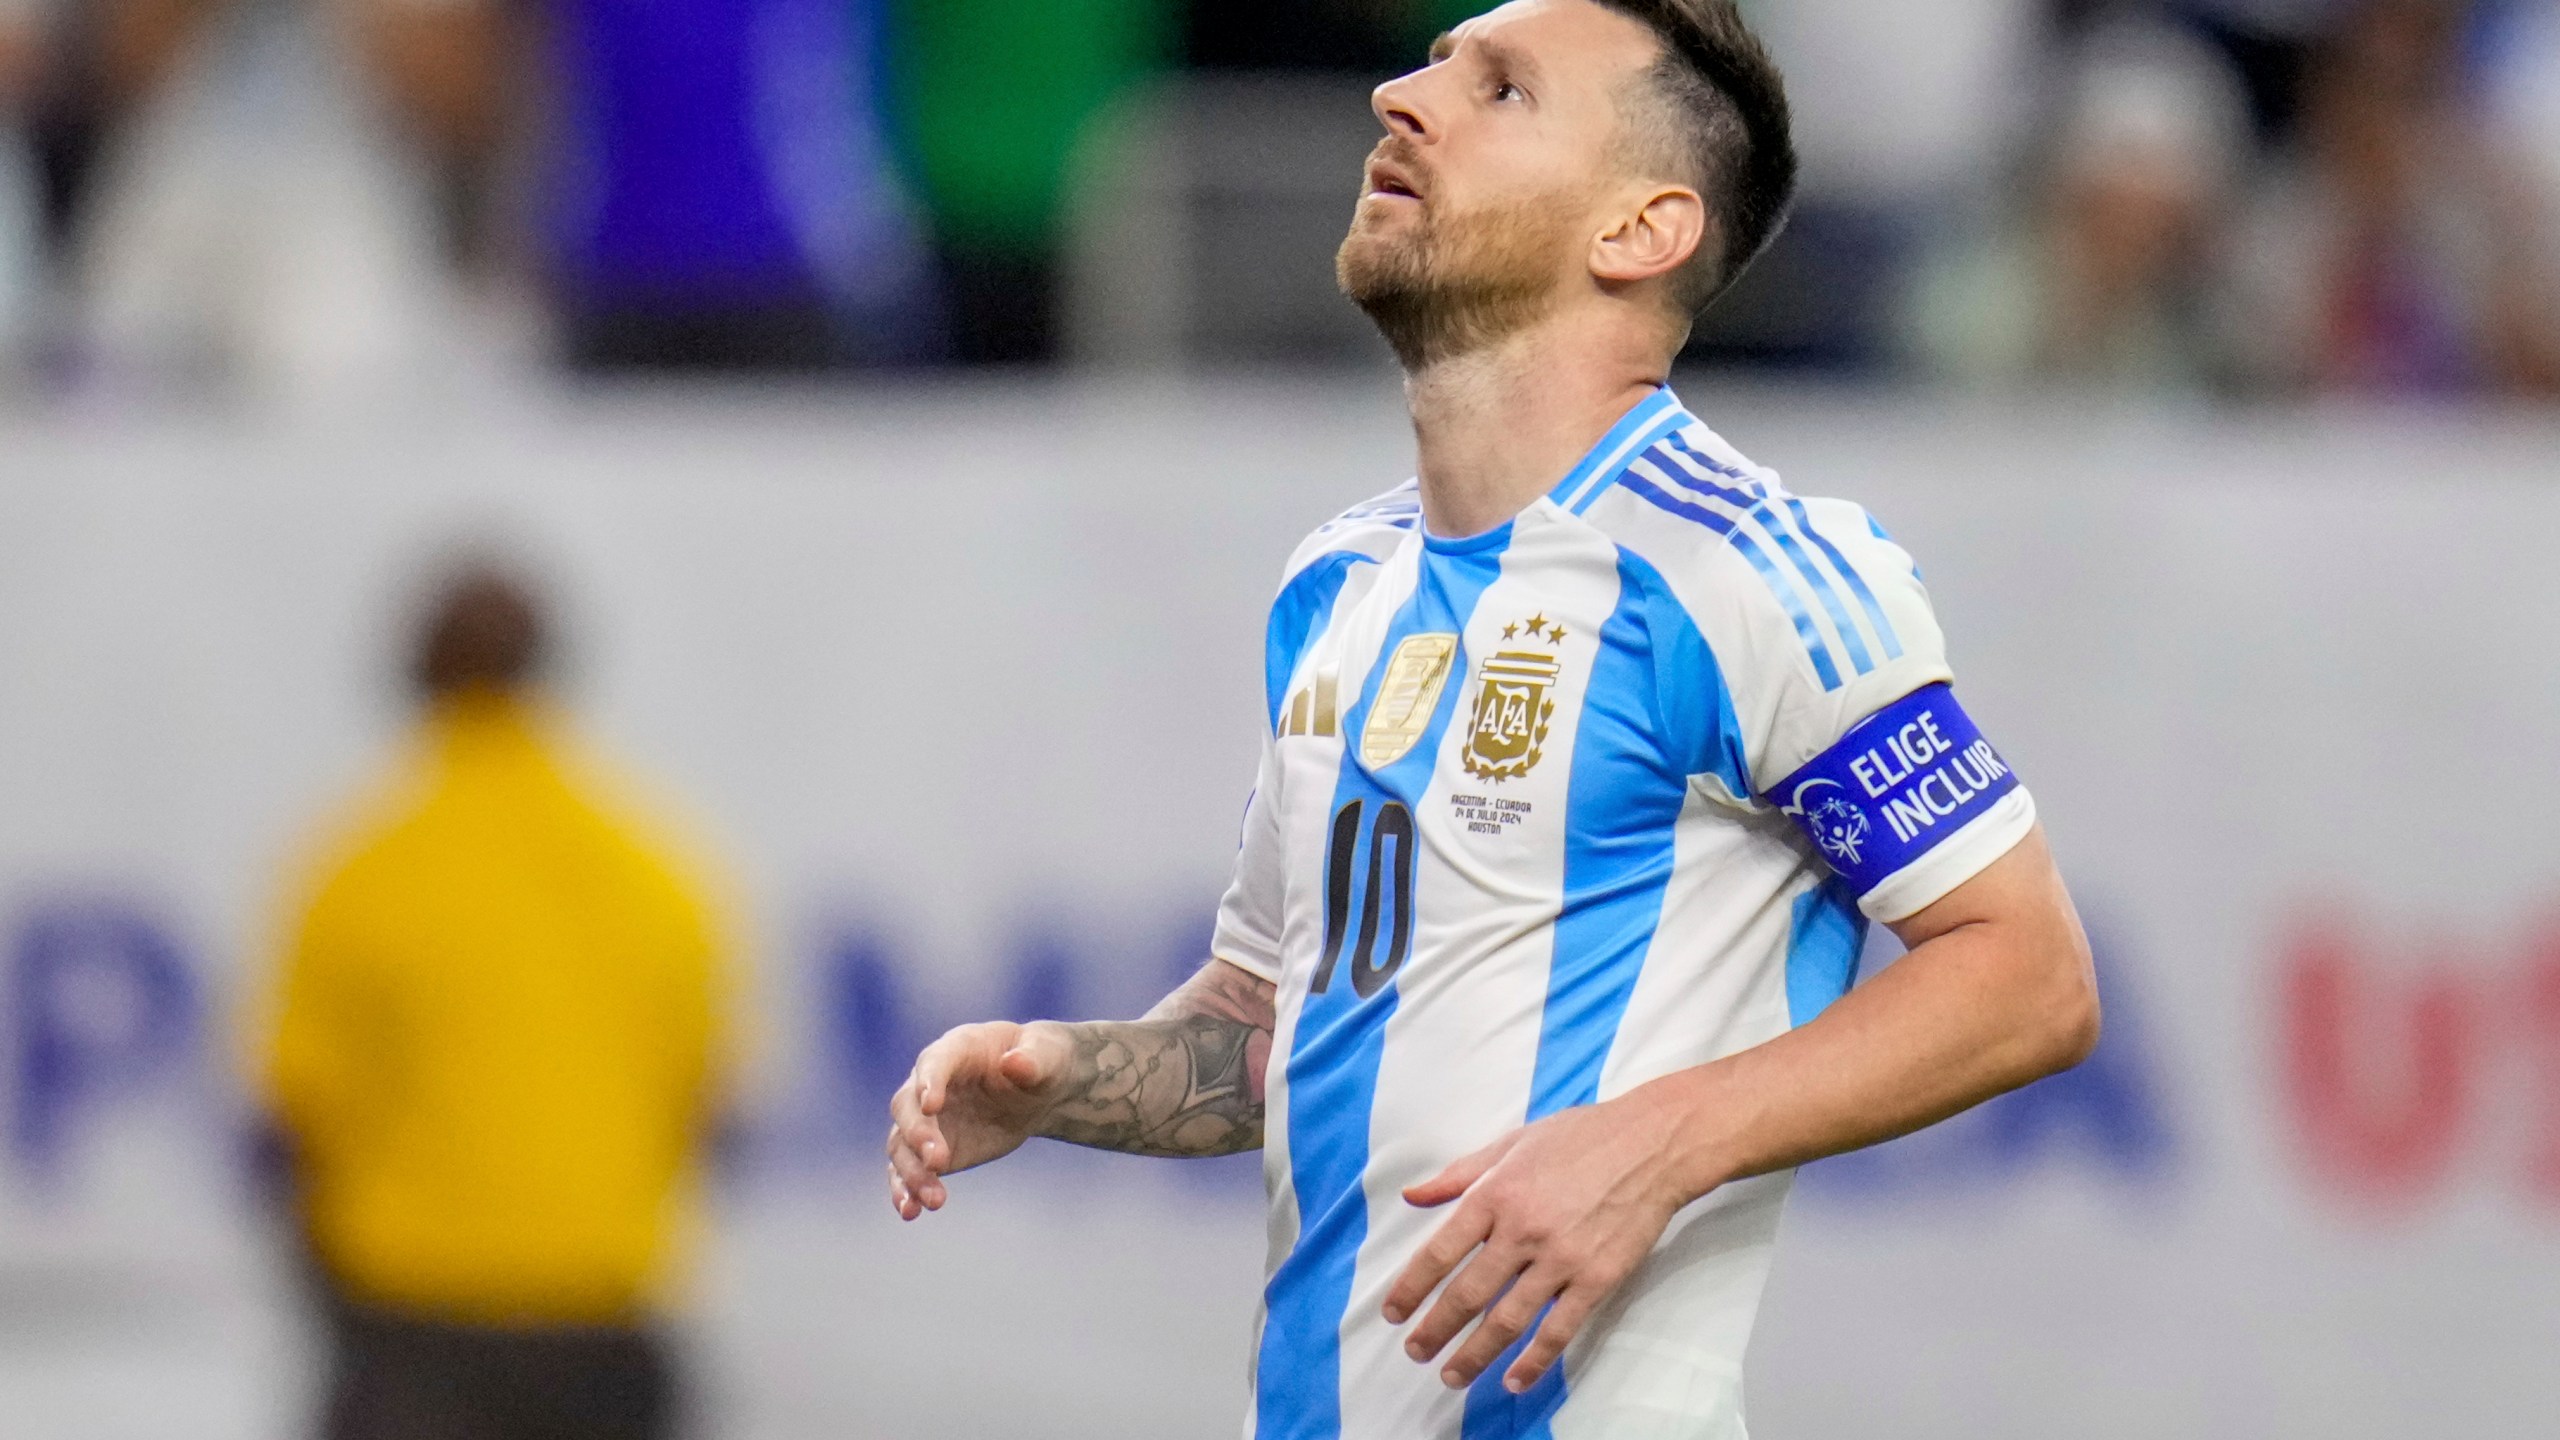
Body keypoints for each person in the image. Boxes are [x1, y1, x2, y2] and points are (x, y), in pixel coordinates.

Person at [886, 2, 2099, 1435]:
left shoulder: (1750, 571)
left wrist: (1651, 1147)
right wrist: (1060, 1078)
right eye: (1433, 62)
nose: (1403, 95)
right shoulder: (1338, 585)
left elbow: (2028, 977)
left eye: (1502, 89)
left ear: (1642, 229)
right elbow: (1265, 1034)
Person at [256, 564, 736, 1440]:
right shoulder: (655, 865)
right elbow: (710, 1107)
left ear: (412, 676)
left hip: (411, 1332)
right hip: (603, 1327)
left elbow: (294, 1117)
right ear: (550, 671)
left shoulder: (359, 867)